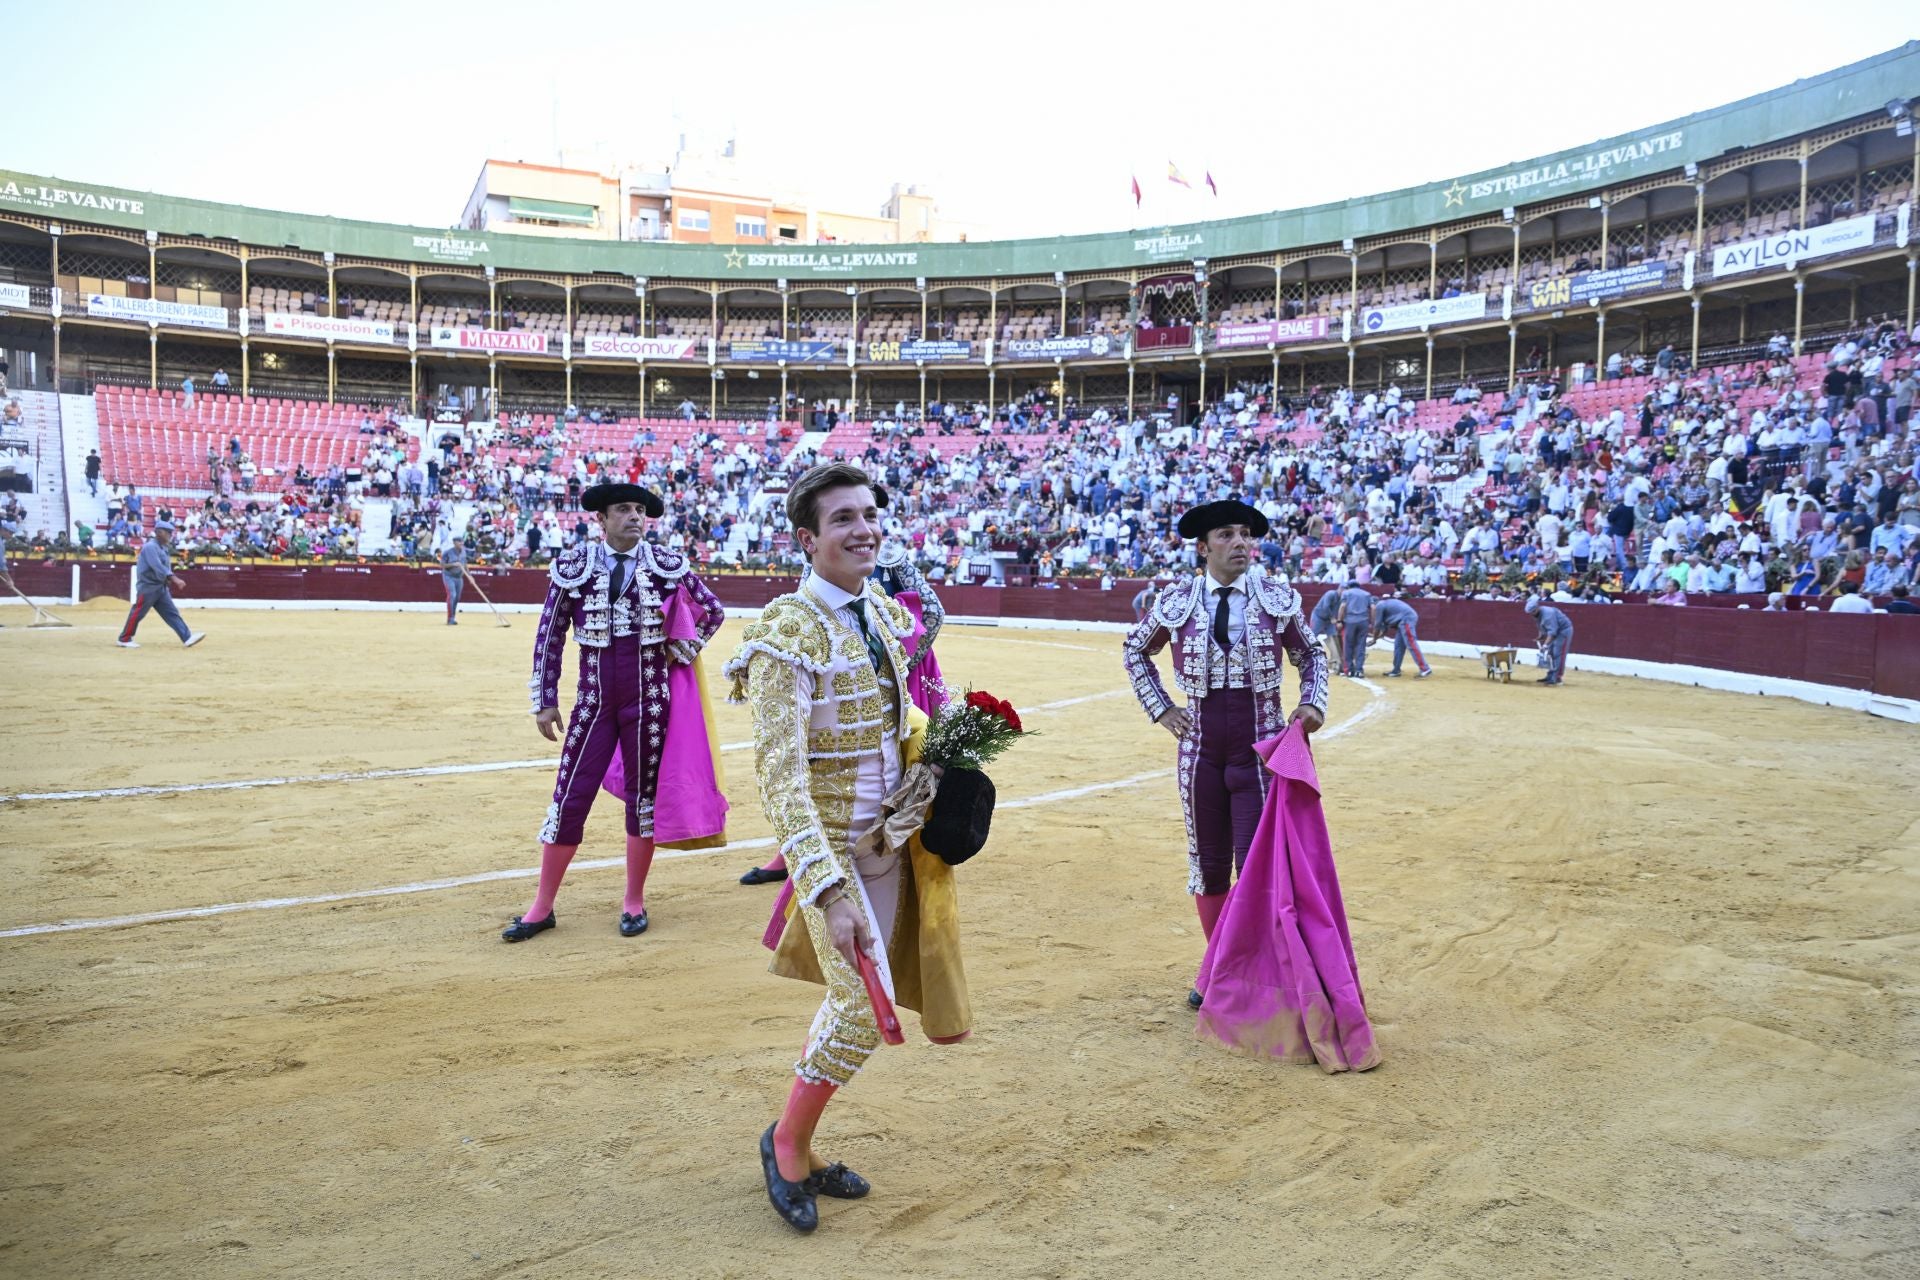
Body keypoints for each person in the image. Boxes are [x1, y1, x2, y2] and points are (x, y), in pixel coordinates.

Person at [726, 462, 972, 1233]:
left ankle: (797, 1137)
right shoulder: (785, 633)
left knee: (862, 1004)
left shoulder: (883, 618)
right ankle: (788, 1143)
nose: (864, 528)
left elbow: (904, 731)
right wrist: (827, 891)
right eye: (843, 520)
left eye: (870, 514)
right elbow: (781, 779)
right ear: (808, 538)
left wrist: (943, 762)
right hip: (833, 851)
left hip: (891, 841)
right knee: (861, 1010)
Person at [1120, 499, 1329, 1008]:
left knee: (1257, 865)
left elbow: (1311, 654)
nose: (1240, 543)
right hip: (1199, 752)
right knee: (1209, 864)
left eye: (1245, 534)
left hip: (1259, 751)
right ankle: (1220, 970)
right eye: (1227, 535)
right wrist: (1162, 709)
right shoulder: (1178, 601)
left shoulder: (1276, 598)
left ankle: (1261, 971)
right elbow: (1134, 650)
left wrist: (1311, 704)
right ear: (1204, 546)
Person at [503, 481, 726, 943]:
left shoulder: (667, 566)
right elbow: (550, 634)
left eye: (640, 510)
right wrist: (544, 699)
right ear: (600, 519)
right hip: (593, 702)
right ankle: (542, 907)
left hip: (649, 704)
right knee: (569, 797)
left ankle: (633, 902)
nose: (635, 517)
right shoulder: (575, 567)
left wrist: (683, 650)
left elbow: (712, 610)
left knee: (644, 802)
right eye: (623, 510)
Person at [116, 521, 206, 649]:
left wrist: (167, 580)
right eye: (168, 532)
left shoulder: (163, 547)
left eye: (171, 532)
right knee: (138, 613)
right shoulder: (150, 547)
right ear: (158, 532)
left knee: (172, 613)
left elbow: (164, 566)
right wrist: (174, 578)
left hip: (160, 587)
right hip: (148, 587)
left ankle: (187, 637)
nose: (170, 535)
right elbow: (157, 566)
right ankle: (124, 638)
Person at [1370, 593, 1432, 678]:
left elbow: (1377, 626)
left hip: (1406, 620)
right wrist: (1376, 637)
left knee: (1411, 643)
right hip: (1402, 622)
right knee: (1398, 646)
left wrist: (1374, 639)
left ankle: (1425, 668)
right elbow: (1384, 629)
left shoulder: (1379, 606)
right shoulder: (1385, 604)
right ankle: (1396, 670)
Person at [1525, 594, 1573, 686]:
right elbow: (1541, 627)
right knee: (1550, 653)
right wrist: (1541, 637)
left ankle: (1557, 678)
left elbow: (1552, 632)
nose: (1531, 614)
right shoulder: (1537, 614)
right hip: (1555, 631)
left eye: (1533, 611)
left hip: (1564, 631)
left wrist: (1545, 645)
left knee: (1558, 653)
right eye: (1530, 612)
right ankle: (1550, 676)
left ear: (1537, 608)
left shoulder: (1548, 614)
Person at [1337, 580, 1374, 678]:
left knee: (1348, 646)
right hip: (1363, 621)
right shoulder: (1367, 594)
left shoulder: (1346, 593)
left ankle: (1349, 670)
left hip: (1350, 621)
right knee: (1361, 646)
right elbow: (1373, 608)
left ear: (1349, 586)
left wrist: (1339, 620)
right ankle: (1359, 670)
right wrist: (1372, 622)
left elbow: (1343, 606)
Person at [439, 536, 467, 625]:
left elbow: (465, 564)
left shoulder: (463, 552)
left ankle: (453, 617)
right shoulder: (448, 553)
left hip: (459, 577)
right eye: (459, 542)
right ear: (454, 542)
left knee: (457, 597)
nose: (461, 543)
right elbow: (442, 565)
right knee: (452, 595)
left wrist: (470, 576)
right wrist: (453, 564)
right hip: (449, 576)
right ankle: (450, 618)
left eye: (462, 542)